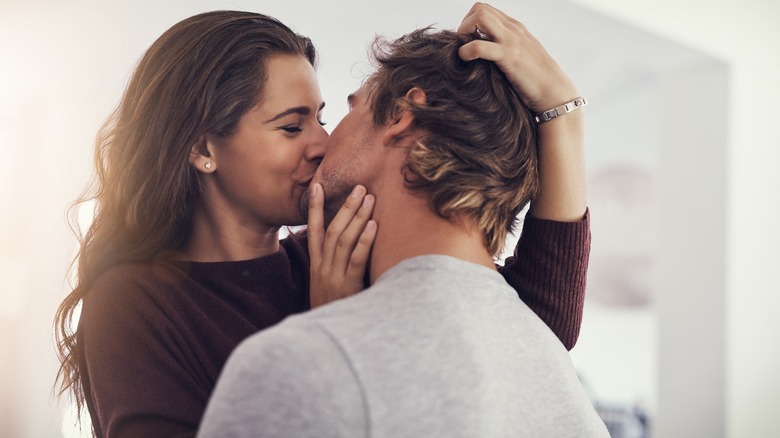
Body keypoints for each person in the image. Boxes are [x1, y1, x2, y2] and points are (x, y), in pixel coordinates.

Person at [53, 5, 590, 438]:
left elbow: (527, 324)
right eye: (292, 127)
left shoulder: (337, 247)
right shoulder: (134, 303)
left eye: (323, 117)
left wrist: (562, 116)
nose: (321, 142)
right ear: (202, 149)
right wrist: (331, 331)